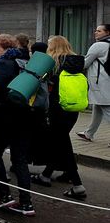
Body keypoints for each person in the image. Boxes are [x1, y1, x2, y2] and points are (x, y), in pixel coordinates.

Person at [0, 34, 35, 216]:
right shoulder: (26, 62)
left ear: (6, 49)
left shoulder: (5, 64)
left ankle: (4, 195)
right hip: (26, 116)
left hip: (6, 115)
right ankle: (26, 203)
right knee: (19, 159)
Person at [31, 36, 87, 199]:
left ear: (53, 46)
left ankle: (77, 185)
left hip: (57, 108)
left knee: (62, 143)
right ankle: (46, 175)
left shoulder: (52, 62)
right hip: (73, 108)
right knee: (60, 141)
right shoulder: (76, 61)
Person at [77, 24, 110, 143]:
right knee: (98, 107)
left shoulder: (98, 45)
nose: (96, 32)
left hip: (100, 81)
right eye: (96, 30)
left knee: (106, 109)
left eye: (99, 31)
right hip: (107, 80)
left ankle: (89, 133)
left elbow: (85, 63)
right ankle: (89, 133)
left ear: (107, 32)